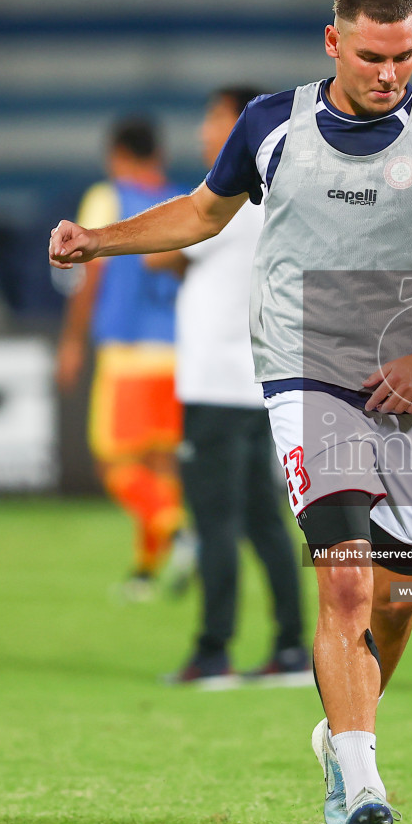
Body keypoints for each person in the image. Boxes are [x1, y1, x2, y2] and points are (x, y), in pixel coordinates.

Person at [50, 0, 412, 824]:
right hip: (305, 372)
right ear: (333, 42)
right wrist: (98, 242)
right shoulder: (273, 125)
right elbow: (200, 211)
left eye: (405, 54)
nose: (390, 73)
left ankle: (341, 731)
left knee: (396, 601)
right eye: (373, 55)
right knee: (344, 579)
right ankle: (360, 780)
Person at [159, 86, 308, 686]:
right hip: (258, 382)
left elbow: (162, 250)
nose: (203, 130)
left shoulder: (234, 195)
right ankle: (292, 648)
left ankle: (213, 650)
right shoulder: (279, 194)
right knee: (262, 520)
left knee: (214, 518)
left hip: (218, 386)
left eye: (214, 118)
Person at [57, 116, 197, 601]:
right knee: (161, 467)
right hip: (179, 355)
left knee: (114, 464)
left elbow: (87, 274)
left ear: (118, 155)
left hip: (129, 355)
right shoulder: (185, 205)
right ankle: (147, 570)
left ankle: (181, 533)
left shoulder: (108, 197)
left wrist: (73, 340)